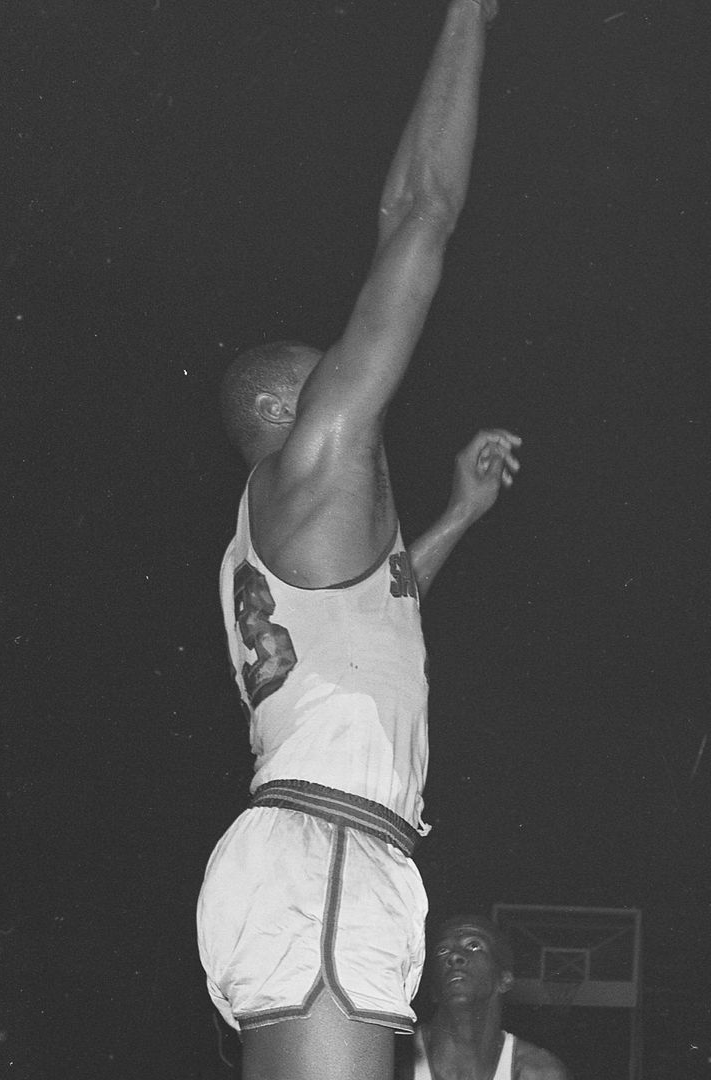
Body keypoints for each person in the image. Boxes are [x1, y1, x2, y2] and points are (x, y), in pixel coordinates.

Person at [196, 3, 516, 1079]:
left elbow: (372, 620)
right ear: (286, 409)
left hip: (323, 848)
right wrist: (470, 15)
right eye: (327, 370)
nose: (354, 374)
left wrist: (457, 517)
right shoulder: (314, 461)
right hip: (322, 854)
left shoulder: (280, 538)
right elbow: (420, 211)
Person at [397, 915, 572, 1080]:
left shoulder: (538, 1071)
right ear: (434, 990)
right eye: (442, 950)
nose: (455, 956)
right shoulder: (397, 1059)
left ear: (504, 980)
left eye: (474, 946)